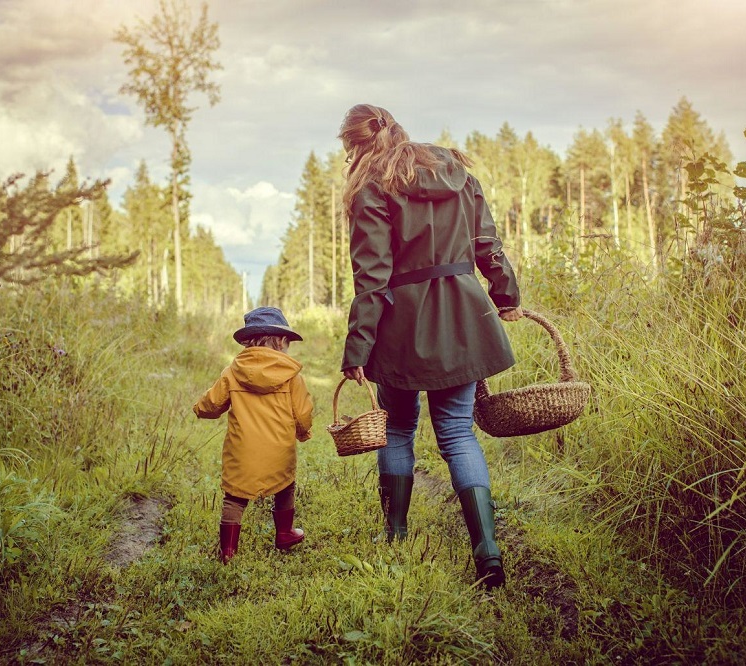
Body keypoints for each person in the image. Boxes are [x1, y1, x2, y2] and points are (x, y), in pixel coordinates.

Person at [337, 103, 523, 588]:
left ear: (354, 144)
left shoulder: (370, 185)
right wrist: (506, 296)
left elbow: (372, 278)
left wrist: (357, 348)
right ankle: (488, 551)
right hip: (463, 315)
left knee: (397, 429)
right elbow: (489, 245)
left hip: (403, 323)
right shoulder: (457, 170)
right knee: (459, 433)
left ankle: (395, 537)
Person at [193, 306, 314, 564]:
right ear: (281, 341)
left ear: (248, 341)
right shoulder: (292, 376)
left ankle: (228, 551)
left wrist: (199, 409)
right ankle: (284, 533)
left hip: (242, 453)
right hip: (280, 452)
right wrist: (303, 432)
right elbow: (302, 412)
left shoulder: (232, 371)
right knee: (285, 487)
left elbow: (211, 404)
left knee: (234, 499)